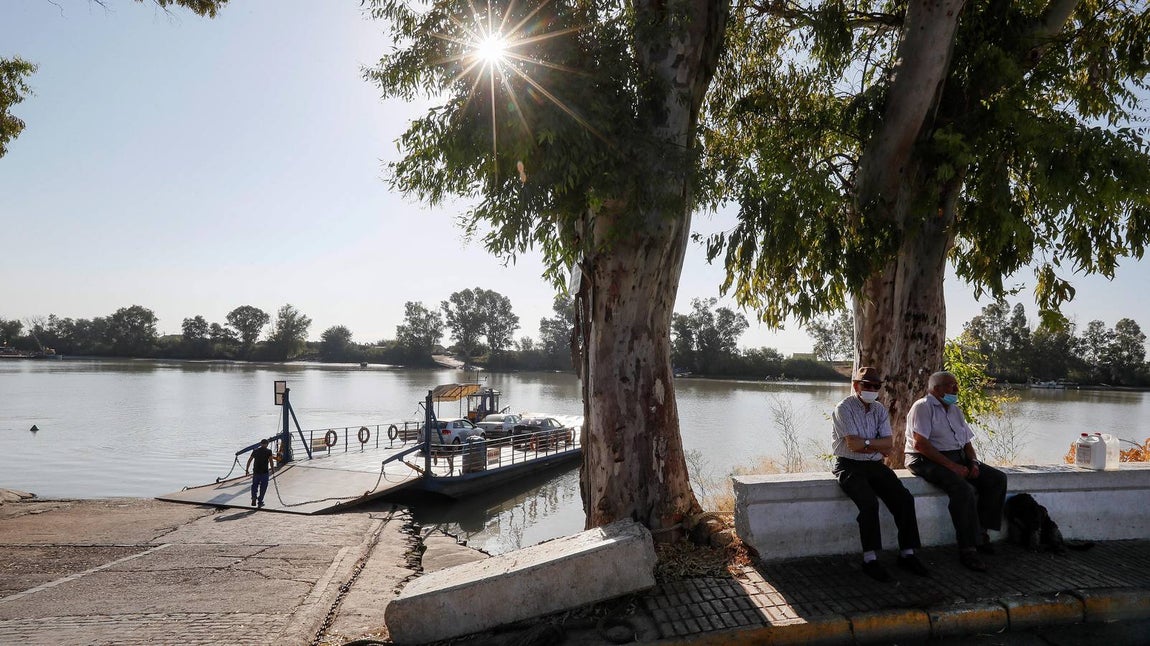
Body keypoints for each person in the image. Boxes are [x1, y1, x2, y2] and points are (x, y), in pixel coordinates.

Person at [832, 367, 930, 582]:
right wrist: (874, 445)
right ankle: (870, 559)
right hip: (849, 466)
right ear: (857, 386)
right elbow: (852, 445)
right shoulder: (844, 408)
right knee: (868, 504)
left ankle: (907, 554)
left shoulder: (878, 409)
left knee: (904, 499)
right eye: (867, 385)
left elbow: (888, 445)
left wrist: (867, 444)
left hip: (875, 465)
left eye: (876, 386)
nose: (872, 389)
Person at [905, 371, 1008, 572]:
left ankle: (981, 534)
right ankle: (967, 549)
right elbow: (921, 445)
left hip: (956, 456)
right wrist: (952, 467)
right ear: (936, 389)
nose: (956, 389)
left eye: (956, 385)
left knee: (997, 479)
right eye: (951, 385)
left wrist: (974, 463)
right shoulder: (923, 407)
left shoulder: (954, 410)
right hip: (925, 459)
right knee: (963, 490)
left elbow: (967, 443)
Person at [245, 438, 277, 508]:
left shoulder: (255, 451)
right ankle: (260, 501)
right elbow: (271, 461)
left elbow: (249, 460)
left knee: (254, 485)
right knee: (263, 487)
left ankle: (254, 497)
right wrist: (273, 470)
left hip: (256, 472)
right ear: (267, 444)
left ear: (261, 444)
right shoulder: (268, 451)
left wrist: (247, 469)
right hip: (264, 472)